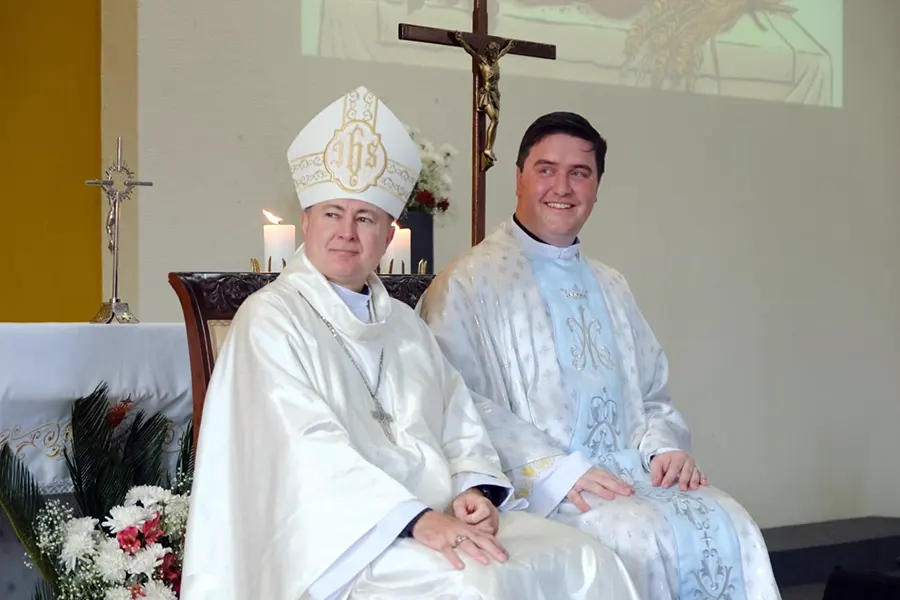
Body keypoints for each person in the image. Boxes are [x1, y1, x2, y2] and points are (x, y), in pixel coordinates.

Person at [180, 88, 640, 600]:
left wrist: (472, 488)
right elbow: (304, 451)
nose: (347, 233)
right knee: (477, 584)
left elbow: (459, 420)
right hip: (347, 541)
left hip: (440, 518)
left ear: (387, 232)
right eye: (333, 214)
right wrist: (413, 519)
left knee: (586, 558)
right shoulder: (269, 319)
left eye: (366, 218)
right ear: (306, 221)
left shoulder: (404, 325)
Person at [417, 111, 782, 600]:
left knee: (732, 522)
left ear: (597, 187)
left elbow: (652, 390)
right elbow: (456, 399)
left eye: (579, 173)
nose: (561, 187)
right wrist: (557, 471)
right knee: (636, 536)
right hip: (545, 487)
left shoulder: (611, 285)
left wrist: (665, 448)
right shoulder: (468, 283)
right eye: (546, 169)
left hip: (634, 472)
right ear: (519, 177)